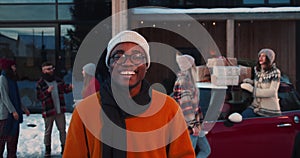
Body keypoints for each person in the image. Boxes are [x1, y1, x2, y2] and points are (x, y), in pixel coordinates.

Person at [63, 30, 195, 157]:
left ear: (146, 66)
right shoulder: (85, 111)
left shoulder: (168, 108)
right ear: (109, 66)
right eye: (118, 56)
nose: (127, 63)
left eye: (137, 56)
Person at [173, 54, 211, 158]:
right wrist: (194, 126)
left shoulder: (190, 80)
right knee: (190, 154)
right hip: (189, 127)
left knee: (206, 150)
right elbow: (186, 107)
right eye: (193, 64)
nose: (195, 66)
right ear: (189, 66)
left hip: (197, 124)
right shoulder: (183, 81)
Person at [36, 61, 73, 157]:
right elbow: (39, 97)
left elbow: (65, 89)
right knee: (48, 131)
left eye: (52, 68)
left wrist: (71, 87)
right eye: (48, 69)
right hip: (49, 110)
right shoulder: (41, 83)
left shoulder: (58, 80)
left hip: (59, 109)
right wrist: (47, 91)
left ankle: (64, 148)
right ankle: (47, 150)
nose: (51, 70)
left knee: (62, 130)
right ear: (43, 70)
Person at [0, 58, 30, 158]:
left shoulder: (12, 79)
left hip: (14, 115)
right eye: (13, 66)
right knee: (2, 139)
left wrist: (23, 108)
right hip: (5, 115)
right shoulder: (2, 78)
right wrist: (13, 111)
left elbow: (16, 97)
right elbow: (5, 97)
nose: (15, 68)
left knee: (13, 140)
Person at [239, 48, 281, 118]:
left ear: (269, 58)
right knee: (242, 119)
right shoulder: (257, 70)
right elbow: (260, 83)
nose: (260, 58)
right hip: (255, 106)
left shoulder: (275, 72)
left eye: (263, 56)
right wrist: (251, 82)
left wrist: (252, 89)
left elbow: (272, 92)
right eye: (260, 56)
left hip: (268, 110)